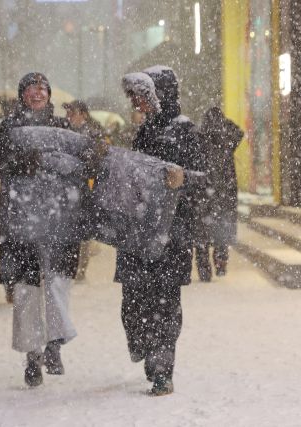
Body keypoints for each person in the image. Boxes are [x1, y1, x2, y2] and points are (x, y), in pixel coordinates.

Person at [0, 72, 100, 387]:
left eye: (42, 88)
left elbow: (88, 160)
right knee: (27, 291)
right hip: (22, 224)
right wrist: (29, 160)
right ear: (22, 94)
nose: (37, 93)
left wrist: (74, 167)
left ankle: (54, 343)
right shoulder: (9, 128)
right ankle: (32, 356)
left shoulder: (64, 126)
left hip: (60, 223)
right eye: (31, 88)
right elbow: (0, 162)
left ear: (49, 94)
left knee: (58, 285)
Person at [118, 67, 204, 396]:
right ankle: (144, 345)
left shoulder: (184, 131)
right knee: (133, 303)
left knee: (165, 303)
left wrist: (184, 180)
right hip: (138, 234)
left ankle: (162, 367)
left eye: (142, 95)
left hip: (171, 234)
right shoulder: (141, 131)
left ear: (160, 94)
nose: (136, 102)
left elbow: (205, 180)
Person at [194, 107, 244, 280]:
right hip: (225, 190)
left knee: (202, 231)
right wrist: (224, 123)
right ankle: (221, 262)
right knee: (222, 227)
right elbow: (239, 132)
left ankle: (203, 267)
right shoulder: (228, 138)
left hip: (205, 191)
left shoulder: (200, 138)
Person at [62, 100, 106, 282]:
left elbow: (98, 164)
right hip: (66, 189)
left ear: (84, 115)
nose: (69, 116)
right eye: (68, 112)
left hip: (85, 189)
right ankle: (69, 267)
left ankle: (81, 270)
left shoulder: (93, 136)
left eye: (73, 112)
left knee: (84, 233)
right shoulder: (63, 133)